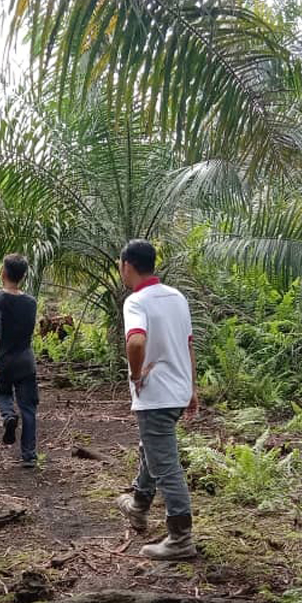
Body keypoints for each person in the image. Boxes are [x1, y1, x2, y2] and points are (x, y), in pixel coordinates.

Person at [114, 239, 199, 560]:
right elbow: (188, 344)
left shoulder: (137, 302)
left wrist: (136, 376)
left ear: (127, 266)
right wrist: (192, 388)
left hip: (156, 394)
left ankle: (180, 538)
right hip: (177, 391)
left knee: (166, 463)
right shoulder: (177, 297)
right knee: (153, 447)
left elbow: (136, 342)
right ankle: (138, 503)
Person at [0, 254, 40, 467]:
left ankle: (8, 415)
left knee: (1, 393)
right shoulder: (31, 302)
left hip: (4, 361)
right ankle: (29, 456)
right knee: (28, 408)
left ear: (3, 273)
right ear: (24, 276)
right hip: (26, 361)